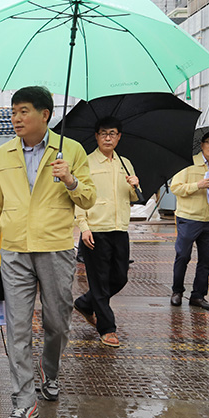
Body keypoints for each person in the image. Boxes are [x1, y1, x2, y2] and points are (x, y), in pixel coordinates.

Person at [0, 86, 96, 418]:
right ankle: (24, 401)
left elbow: (89, 199)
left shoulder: (71, 151)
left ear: (45, 115)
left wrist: (71, 180)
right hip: (14, 249)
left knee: (57, 321)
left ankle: (51, 369)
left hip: (56, 247)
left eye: (24, 111)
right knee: (16, 327)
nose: (15, 118)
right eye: (13, 112)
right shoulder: (2, 155)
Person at [73, 117, 140, 348]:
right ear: (96, 136)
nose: (108, 137)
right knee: (99, 281)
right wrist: (83, 227)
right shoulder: (87, 162)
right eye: (103, 133)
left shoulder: (126, 163)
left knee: (120, 277)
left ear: (119, 137)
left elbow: (133, 198)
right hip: (95, 229)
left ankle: (84, 303)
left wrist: (135, 185)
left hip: (120, 228)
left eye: (112, 133)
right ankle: (107, 328)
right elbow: (79, 198)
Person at [169, 131, 209, 311]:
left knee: (205, 260)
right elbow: (175, 188)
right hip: (188, 218)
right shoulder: (187, 163)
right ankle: (177, 291)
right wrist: (198, 185)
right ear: (202, 144)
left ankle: (198, 296)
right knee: (183, 256)